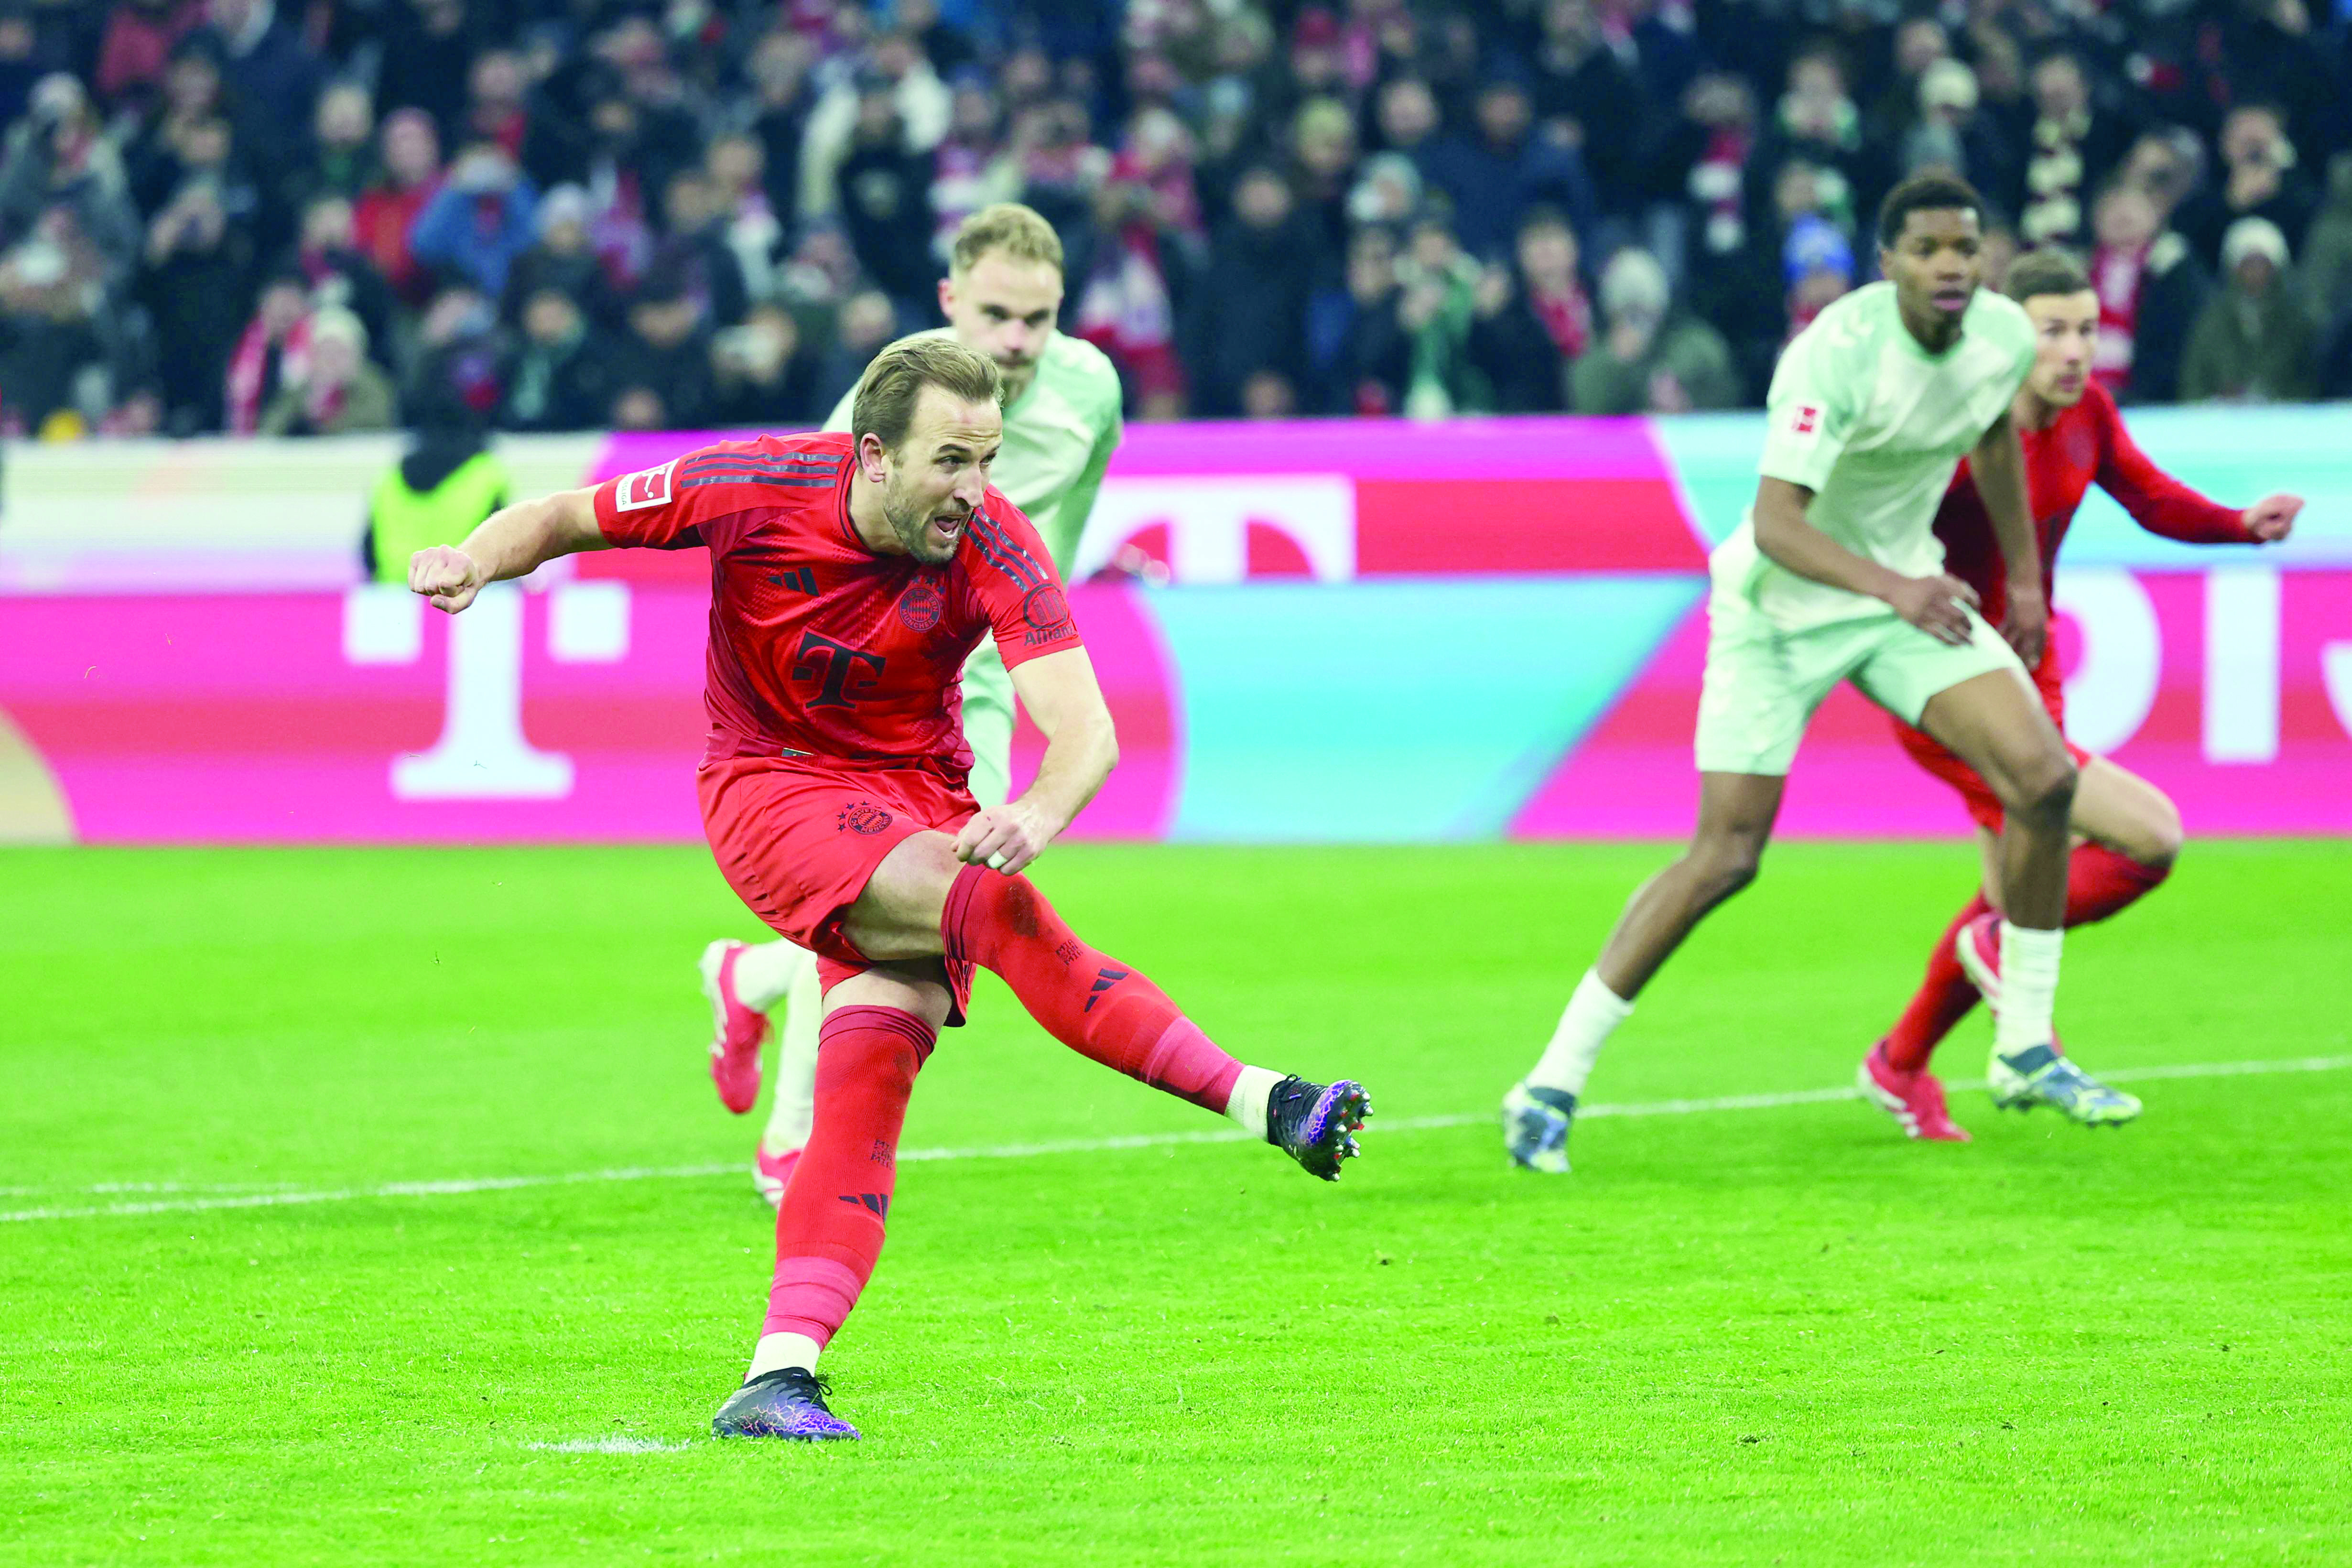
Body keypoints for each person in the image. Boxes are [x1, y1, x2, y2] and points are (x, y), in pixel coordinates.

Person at [405, 335, 1369, 1441]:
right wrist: (475, 559)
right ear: (871, 453)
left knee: (865, 1085)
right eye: (951, 462)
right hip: (771, 793)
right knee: (993, 912)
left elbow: (1085, 729)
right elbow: (568, 516)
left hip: (918, 800)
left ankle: (778, 1374)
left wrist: (1037, 813)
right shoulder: (754, 484)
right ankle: (1268, 1101)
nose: (976, 490)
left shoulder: (995, 544)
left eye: (988, 460)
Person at [1498, 174, 2082, 1174]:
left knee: (2046, 779)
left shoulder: (2001, 339)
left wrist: (2024, 579)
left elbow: (1991, 432)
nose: (1951, 265)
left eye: (1966, 248)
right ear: (1888, 263)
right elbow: (1776, 526)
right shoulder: (1833, 354)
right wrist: (1897, 590)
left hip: (1900, 599)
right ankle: (1549, 1082)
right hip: (1778, 611)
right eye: (1929, 249)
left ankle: (2024, 1043)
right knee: (1725, 857)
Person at [704, 204, 1127, 1206]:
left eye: (1038, 318)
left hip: (997, 655)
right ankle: (794, 1140)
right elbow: (811, 516)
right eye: (994, 315)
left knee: (925, 900)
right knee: (900, 896)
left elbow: (1070, 510)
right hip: (905, 677)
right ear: (948, 300)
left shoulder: (1092, 387)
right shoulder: (896, 391)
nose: (1017, 342)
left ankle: (750, 981)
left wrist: (1037, 615)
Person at [1861, 250, 2301, 1141]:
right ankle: (2010, 1008)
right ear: (2004, 337)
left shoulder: (2086, 412)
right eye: (2051, 331)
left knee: (2008, 888)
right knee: (2146, 836)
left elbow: (2145, 495)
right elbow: (1866, 531)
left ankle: (1901, 1063)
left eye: (2086, 331)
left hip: (2032, 674)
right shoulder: (1956, 434)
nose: (2073, 351)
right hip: (1946, 683)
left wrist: (2235, 525)